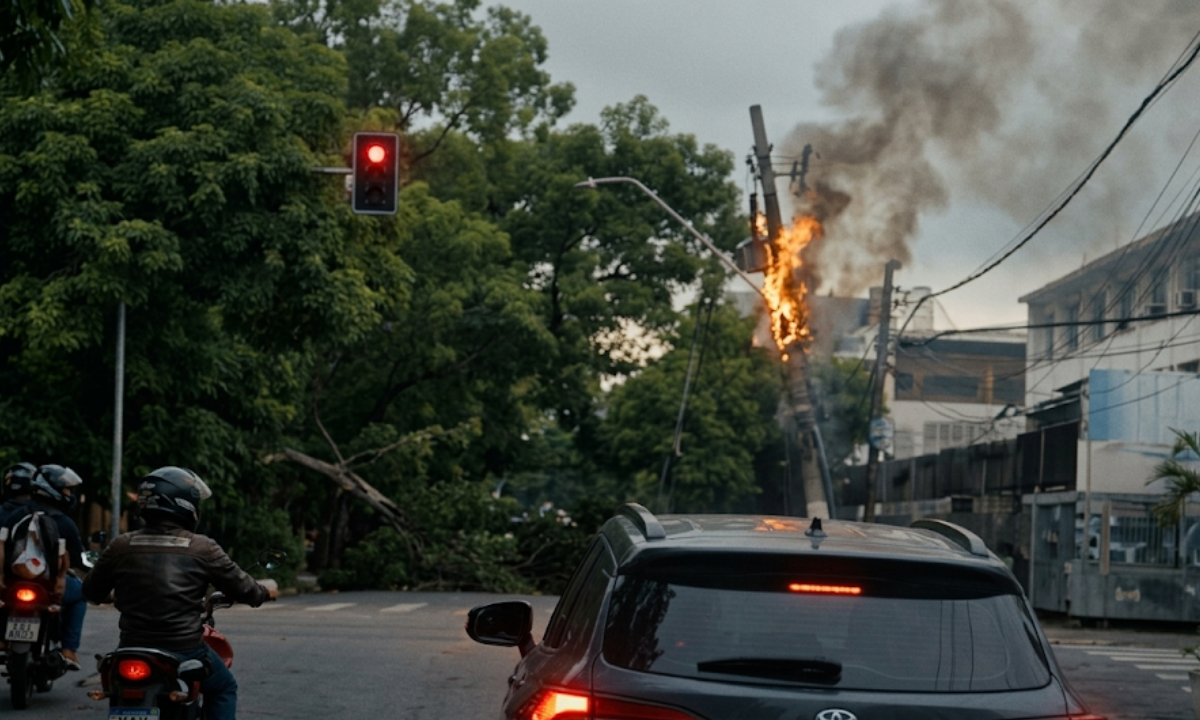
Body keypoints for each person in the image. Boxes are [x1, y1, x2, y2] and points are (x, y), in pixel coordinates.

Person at [82, 467, 278, 720]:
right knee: (224, 687)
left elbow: (91, 592)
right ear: (186, 504)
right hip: (184, 648)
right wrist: (263, 592)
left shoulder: (120, 545)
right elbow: (246, 589)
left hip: (131, 647)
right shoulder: (203, 547)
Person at [0, 463, 86, 670]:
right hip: (49, 588)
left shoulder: (15, 515)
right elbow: (78, 559)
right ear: (52, 489)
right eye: (67, 489)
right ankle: (69, 650)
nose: (70, 493)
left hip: (13, 582)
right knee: (80, 596)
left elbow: (2, 546)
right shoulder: (64, 522)